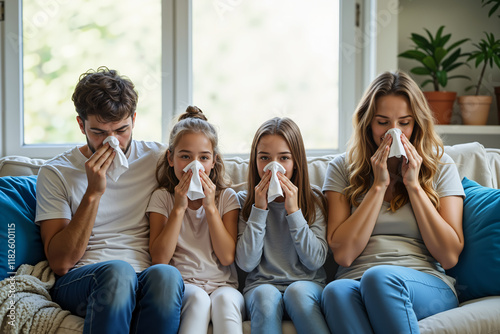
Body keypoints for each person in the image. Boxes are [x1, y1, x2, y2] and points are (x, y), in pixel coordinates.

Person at [35, 67, 184, 334]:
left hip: (145, 276)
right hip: (85, 278)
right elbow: (60, 262)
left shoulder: (158, 159)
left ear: (134, 120)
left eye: (121, 130)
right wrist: (93, 193)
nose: (112, 142)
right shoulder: (56, 172)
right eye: (99, 132)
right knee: (118, 272)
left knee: (168, 274)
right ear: (81, 125)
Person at [321, 71, 465, 333]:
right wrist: (378, 185)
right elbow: (344, 254)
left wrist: (413, 186)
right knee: (334, 291)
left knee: (380, 277)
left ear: (417, 124)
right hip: (356, 280)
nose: (394, 132)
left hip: (423, 283)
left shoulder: (441, 166)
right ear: (368, 124)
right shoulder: (342, 167)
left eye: (404, 123)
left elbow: (449, 255)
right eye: (383, 122)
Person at [146, 106, 245, 334]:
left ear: (213, 162)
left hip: (224, 286)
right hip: (184, 285)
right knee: (198, 300)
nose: (194, 165)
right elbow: (160, 258)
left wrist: (209, 206)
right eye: (185, 157)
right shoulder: (162, 198)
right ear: (171, 159)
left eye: (203, 158)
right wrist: (179, 208)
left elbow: (227, 256)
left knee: (224, 302)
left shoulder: (226, 198)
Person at [235, 117, 330, 334]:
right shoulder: (243, 202)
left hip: (307, 285)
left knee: (297, 293)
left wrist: (294, 212)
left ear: (296, 162)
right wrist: (259, 210)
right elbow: (246, 263)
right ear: (255, 161)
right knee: (265, 296)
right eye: (265, 158)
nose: (273, 166)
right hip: (261, 287)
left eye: (284, 158)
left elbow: (315, 260)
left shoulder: (313, 200)